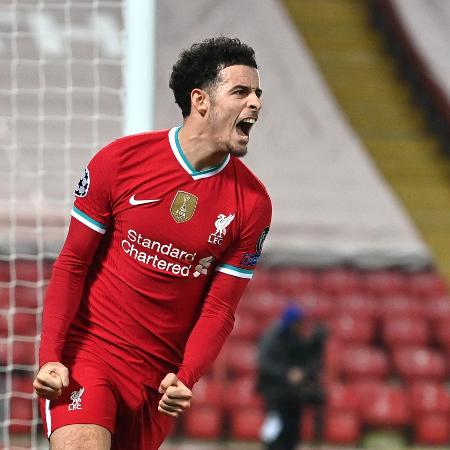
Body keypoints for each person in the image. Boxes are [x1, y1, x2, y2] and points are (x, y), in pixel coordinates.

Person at [33, 37, 272, 450]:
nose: (255, 103)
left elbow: (219, 309)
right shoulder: (119, 162)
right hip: (90, 354)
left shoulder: (253, 204)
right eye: (241, 92)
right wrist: (51, 356)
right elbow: (72, 263)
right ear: (201, 100)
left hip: (156, 382)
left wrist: (187, 376)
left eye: (257, 94)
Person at [257, 305, 327, 450]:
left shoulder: (298, 337)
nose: (301, 325)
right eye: (298, 322)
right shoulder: (272, 337)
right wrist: (287, 373)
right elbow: (265, 363)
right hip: (275, 394)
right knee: (274, 431)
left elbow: (308, 362)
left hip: (294, 395)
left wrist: (317, 344)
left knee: (292, 434)